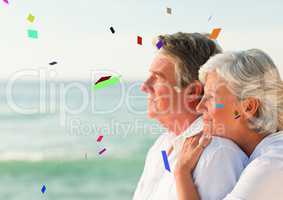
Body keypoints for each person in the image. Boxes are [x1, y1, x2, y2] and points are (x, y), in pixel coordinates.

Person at [132, 32, 248, 200]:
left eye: (157, 78)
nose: (144, 86)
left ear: (193, 92)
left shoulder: (218, 155)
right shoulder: (161, 146)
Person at [175, 49, 283, 200]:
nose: (199, 107)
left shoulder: (270, 164)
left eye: (211, 97)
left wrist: (182, 172)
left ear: (248, 107)